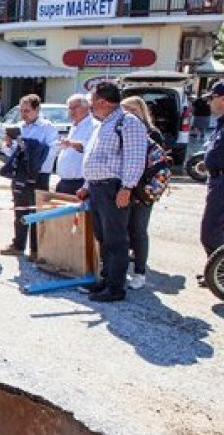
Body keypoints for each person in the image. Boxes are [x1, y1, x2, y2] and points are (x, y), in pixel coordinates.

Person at [77, 82, 147, 302]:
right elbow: (95, 158)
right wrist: (87, 186)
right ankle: (106, 280)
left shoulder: (128, 122)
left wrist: (127, 187)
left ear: (103, 102)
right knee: (104, 238)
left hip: (113, 188)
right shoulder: (104, 124)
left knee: (116, 240)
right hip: (98, 189)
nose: (90, 108)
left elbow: (135, 158)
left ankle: (116, 288)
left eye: (91, 104)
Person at [0, 94, 60, 262]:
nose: (24, 114)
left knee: (37, 211)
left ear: (37, 110)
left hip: (39, 175)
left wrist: (35, 164)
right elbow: (11, 153)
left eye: (27, 110)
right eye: (21, 110)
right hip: (20, 174)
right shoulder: (19, 127)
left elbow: (53, 150)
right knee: (20, 209)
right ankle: (18, 245)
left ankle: (36, 249)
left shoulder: (47, 128)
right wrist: (9, 145)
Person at [121, 96, 165, 290]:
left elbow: (158, 166)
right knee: (122, 231)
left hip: (142, 191)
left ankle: (140, 273)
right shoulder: (121, 130)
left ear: (141, 111)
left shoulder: (152, 134)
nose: (127, 114)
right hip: (124, 188)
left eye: (131, 110)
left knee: (139, 231)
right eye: (124, 110)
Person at [199, 82, 224, 269]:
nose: (208, 102)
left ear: (223, 99)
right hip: (218, 179)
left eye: (211, 98)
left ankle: (219, 271)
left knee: (211, 230)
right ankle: (222, 272)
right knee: (221, 229)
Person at [55, 94, 96, 196]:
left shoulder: (93, 125)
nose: (72, 111)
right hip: (64, 182)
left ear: (86, 107)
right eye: (69, 108)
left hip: (80, 183)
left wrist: (72, 144)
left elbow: (91, 148)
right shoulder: (74, 125)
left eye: (75, 107)